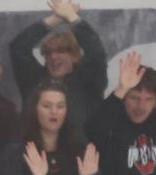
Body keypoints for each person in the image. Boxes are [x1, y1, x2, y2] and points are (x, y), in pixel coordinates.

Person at [9, 0, 107, 133]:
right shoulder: (34, 81)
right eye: (48, 52)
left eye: (60, 51)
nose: (53, 57)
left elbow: (96, 52)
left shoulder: (89, 83)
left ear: (74, 56)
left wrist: (72, 17)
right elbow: (18, 48)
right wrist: (56, 18)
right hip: (35, 146)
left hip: (82, 146)